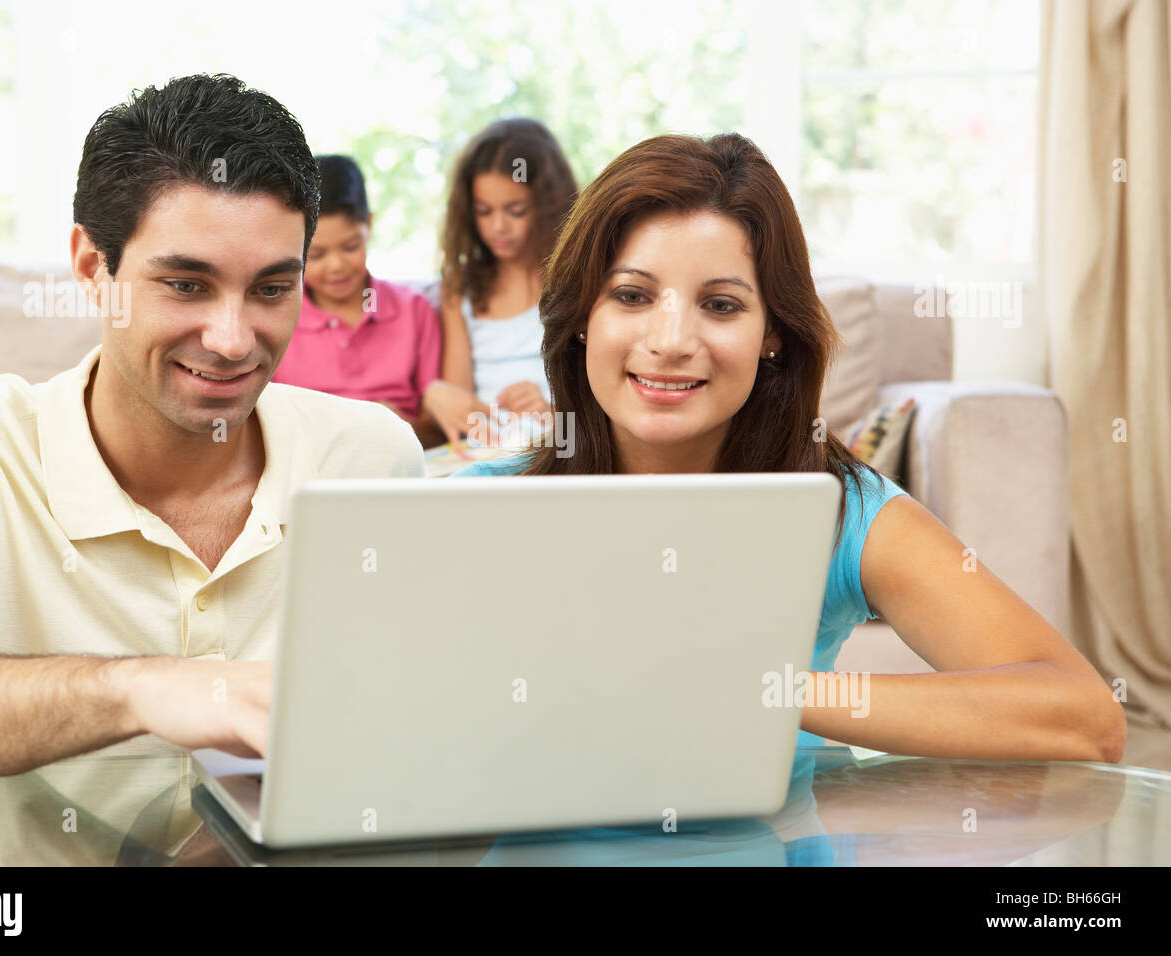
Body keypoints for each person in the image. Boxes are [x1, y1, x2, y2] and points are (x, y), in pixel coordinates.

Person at [451, 132, 1125, 763]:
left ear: (772, 332)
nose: (670, 340)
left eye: (720, 305)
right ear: (580, 320)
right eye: (631, 295)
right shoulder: (482, 506)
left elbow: (1087, 718)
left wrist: (773, 690)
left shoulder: (841, 511)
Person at [0, 74, 424, 775]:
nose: (231, 339)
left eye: (271, 289)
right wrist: (141, 689)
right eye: (186, 284)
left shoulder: (370, 457)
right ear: (91, 267)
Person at [423, 117, 578, 444]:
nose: (498, 227)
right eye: (483, 211)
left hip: (560, 449)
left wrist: (549, 411)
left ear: (547, 205)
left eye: (515, 210)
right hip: (488, 453)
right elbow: (464, 412)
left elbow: (597, 417)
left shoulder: (575, 280)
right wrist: (439, 398)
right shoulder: (459, 288)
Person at [272, 155, 443, 447]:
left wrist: (399, 426)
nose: (337, 265)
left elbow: (439, 428)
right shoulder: (279, 317)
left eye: (351, 246)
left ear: (369, 225)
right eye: (317, 254)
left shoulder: (413, 310)